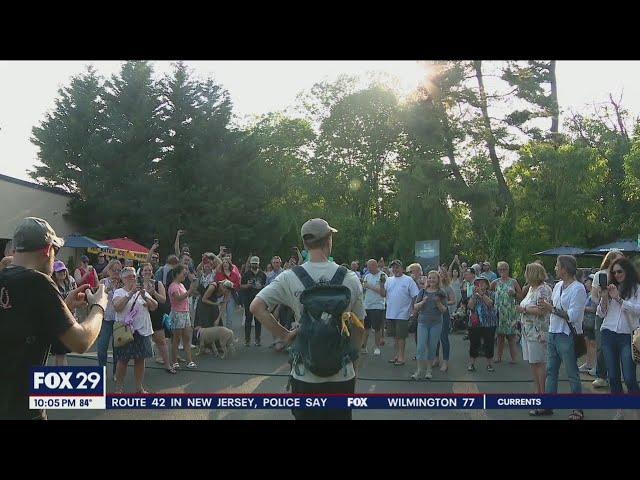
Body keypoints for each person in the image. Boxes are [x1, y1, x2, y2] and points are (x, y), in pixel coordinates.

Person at [250, 218, 364, 421]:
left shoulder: (289, 277)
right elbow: (359, 328)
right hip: (341, 374)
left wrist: (284, 335)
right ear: (329, 240)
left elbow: (256, 307)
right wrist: (354, 364)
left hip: (305, 374)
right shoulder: (350, 277)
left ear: (304, 245)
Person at [0, 217, 108, 420]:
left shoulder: (5, 277)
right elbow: (80, 341)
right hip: (23, 409)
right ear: (47, 249)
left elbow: (24, 325)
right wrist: (99, 306)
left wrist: (63, 306)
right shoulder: (38, 282)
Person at [538, 255, 587, 420]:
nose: (555, 268)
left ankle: (578, 409)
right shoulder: (558, 285)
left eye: (557, 266)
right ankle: (548, 406)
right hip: (553, 332)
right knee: (551, 371)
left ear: (565, 269)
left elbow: (572, 316)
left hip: (567, 336)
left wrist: (550, 308)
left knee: (572, 372)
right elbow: (552, 308)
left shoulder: (578, 288)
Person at [596, 256, 640, 420]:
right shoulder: (611, 287)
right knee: (613, 377)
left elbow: (638, 310)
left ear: (627, 271)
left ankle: (636, 411)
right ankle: (619, 410)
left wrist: (619, 299)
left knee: (629, 377)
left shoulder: (636, 289)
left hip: (627, 336)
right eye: (614, 272)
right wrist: (605, 297)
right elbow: (601, 313)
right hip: (608, 333)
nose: (617, 274)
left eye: (619, 271)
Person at [112, 267, 158, 393]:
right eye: (130, 276)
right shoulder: (119, 292)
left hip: (142, 330)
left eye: (134, 276)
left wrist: (146, 297)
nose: (133, 278)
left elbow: (154, 306)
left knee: (140, 359)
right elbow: (117, 307)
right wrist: (130, 293)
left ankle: (139, 387)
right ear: (123, 279)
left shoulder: (141, 291)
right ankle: (119, 387)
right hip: (126, 331)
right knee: (123, 360)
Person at [516, 263, 552, 414]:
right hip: (528, 332)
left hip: (539, 333)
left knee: (540, 364)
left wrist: (524, 309)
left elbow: (542, 310)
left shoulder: (543, 289)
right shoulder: (531, 288)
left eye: (527, 272)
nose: (525, 275)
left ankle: (543, 400)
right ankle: (537, 394)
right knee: (533, 364)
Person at [590, 250, 624, 389]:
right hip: (602, 313)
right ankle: (601, 375)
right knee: (602, 345)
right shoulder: (600, 275)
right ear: (610, 260)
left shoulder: (624, 275)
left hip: (620, 313)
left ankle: (614, 375)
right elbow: (593, 297)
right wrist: (601, 295)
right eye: (618, 259)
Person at [411, 270, 447, 380]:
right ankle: (418, 371)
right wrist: (423, 302)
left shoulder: (441, 293)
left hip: (436, 323)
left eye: (434, 278)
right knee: (420, 347)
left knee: (432, 347)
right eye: (430, 278)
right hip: (423, 322)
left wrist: (438, 302)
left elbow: (444, 310)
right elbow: (415, 307)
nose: (431, 280)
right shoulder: (422, 292)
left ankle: (429, 370)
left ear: (438, 280)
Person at [139, 262, 174, 374]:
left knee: (161, 341)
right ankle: (140, 369)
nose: (148, 272)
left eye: (149, 270)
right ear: (141, 272)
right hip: (142, 316)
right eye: (145, 270)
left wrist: (154, 292)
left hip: (156, 315)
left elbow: (163, 300)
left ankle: (168, 365)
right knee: (142, 343)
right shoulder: (138, 284)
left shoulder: (158, 284)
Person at [384, 259, 420, 366]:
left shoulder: (408, 280)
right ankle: (396, 355)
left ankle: (401, 357)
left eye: (397, 267)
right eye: (393, 267)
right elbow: (383, 293)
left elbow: (415, 295)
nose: (395, 269)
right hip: (390, 312)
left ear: (402, 268)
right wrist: (381, 284)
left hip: (403, 313)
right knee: (395, 336)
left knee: (401, 337)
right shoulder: (389, 280)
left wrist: (413, 309)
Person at [168, 264, 198, 370]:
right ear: (177, 274)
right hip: (177, 313)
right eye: (182, 273)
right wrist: (190, 290)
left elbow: (186, 296)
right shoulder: (173, 286)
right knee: (176, 339)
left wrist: (192, 290)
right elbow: (178, 298)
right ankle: (174, 361)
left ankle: (189, 360)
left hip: (185, 313)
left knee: (187, 338)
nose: (184, 275)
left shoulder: (181, 285)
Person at [491, 261, 522, 363]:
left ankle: (514, 358)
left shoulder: (513, 282)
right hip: (499, 312)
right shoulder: (495, 282)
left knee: (511, 337)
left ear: (508, 270)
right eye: (500, 269)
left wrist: (514, 293)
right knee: (500, 336)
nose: (502, 271)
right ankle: (498, 357)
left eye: (504, 269)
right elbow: (489, 292)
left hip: (510, 312)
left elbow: (521, 296)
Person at [97, 259, 122, 379]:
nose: (116, 272)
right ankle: (102, 370)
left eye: (119, 270)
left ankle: (115, 372)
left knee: (117, 349)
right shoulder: (103, 281)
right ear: (109, 270)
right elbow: (98, 297)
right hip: (106, 319)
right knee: (102, 348)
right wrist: (108, 289)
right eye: (114, 270)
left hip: (118, 320)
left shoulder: (123, 283)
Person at [467, 275, 498, 372]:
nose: (480, 284)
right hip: (475, 323)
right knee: (474, 343)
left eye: (482, 282)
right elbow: (470, 306)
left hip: (489, 323)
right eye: (477, 283)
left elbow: (490, 303)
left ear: (486, 284)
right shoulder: (473, 294)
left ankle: (489, 364)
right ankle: (471, 364)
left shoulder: (491, 293)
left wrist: (482, 294)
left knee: (489, 344)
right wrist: (474, 296)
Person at [50, 260, 78, 366]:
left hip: (69, 320)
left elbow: (76, 296)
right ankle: (63, 377)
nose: (62, 273)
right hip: (57, 321)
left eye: (63, 271)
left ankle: (58, 377)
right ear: (54, 273)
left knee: (60, 354)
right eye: (59, 272)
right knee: (60, 353)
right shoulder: (52, 285)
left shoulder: (70, 282)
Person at [361, 259, 387, 356]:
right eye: (367, 267)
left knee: (377, 328)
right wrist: (364, 286)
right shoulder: (367, 275)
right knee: (365, 327)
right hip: (367, 304)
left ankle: (377, 347)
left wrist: (369, 286)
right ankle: (363, 346)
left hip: (378, 305)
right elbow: (364, 287)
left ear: (374, 265)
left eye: (369, 267)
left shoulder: (382, 276)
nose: (368, 269)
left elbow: (382, 291)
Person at [241, 256, 267, 346]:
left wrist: (262, 287)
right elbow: (241, 286)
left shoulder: (262, 275)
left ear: (258, 264)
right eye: (253, 263)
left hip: (259, 300)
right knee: (248, 320)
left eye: (256, 263)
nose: (254, 264)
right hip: (248, 299)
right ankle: (247, 340)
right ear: (250, 264)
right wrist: (247, 285)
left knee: (258, 320)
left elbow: (266, 287)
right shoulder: (246, 274)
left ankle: (257, 339)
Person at [434, 269, 456, 372]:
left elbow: (453, 300)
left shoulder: (448, 287)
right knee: (435, 338)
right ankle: (436, 358)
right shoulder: (434, 287)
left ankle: (445, 361)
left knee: (443, 338)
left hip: (444, 314)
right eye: (439, 274)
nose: (441, 275)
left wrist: (444, 302)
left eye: (442, 274)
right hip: (434, 315)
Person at [579, 275, 597, 375]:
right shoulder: (587, 294)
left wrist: (583, 308)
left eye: (587, 281)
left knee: (593, 344)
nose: (585, 283)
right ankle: (588, 363)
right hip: (586, 322)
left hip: (592, 322)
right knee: (588, 344)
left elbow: (594, 309)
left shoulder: (593, 296)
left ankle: (594, 366)